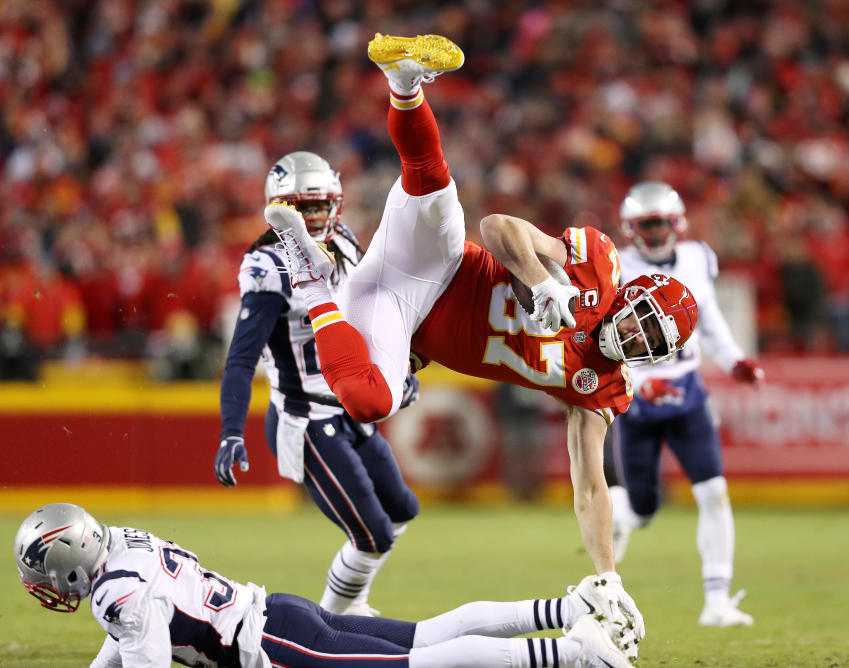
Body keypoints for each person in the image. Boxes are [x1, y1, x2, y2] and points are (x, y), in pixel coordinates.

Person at [258, 33, 699, 635]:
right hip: (438, 264)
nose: (638, 336)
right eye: (644, 318)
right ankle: (406, 83)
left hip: (396, 314)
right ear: (634, 296)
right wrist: (542, 280)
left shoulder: (603, 388)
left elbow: (592, 486)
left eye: (652, 341)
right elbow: (498, 227)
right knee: (432, 183)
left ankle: (312, 284)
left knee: (369, 402)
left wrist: (607, 574)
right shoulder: (595, 265)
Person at [13, 502, 639, 668]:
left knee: (422, 664)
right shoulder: (122, 543)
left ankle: (576, 651)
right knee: (424, 637)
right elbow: (121, 641)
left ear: (69, 561)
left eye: (44, 572)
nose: (45, 586)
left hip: (276, 648)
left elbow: (142, 657)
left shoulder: (117, 594)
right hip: (278, 611)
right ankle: (568, 608)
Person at [215, 151, 421, 616]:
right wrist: (231, 430)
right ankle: (332, 623)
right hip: (306, 417)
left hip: (350, 404)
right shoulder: (268, 265)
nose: (312, 217)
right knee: (373, 534)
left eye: (319, 205)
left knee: (401, 509)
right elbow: (242, 360)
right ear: (277, 208)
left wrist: (398, 370)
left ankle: (350, 608)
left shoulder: (346, 240)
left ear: (337, 203)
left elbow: (373, 316)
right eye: (300, 208)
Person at [609, 181, 765, 627]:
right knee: (641, 510)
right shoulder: (615, 266)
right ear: (631, 227)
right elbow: (604, 341)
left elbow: (707, 314)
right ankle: (619, 528)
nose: (656, 233)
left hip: (688, 391)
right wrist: (638, 382)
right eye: (648, 224)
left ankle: (717, 601)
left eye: (662, 223)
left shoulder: (697, 258)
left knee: (713, 491)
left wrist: (734, 359)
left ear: (677, 223)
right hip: (637, 402)